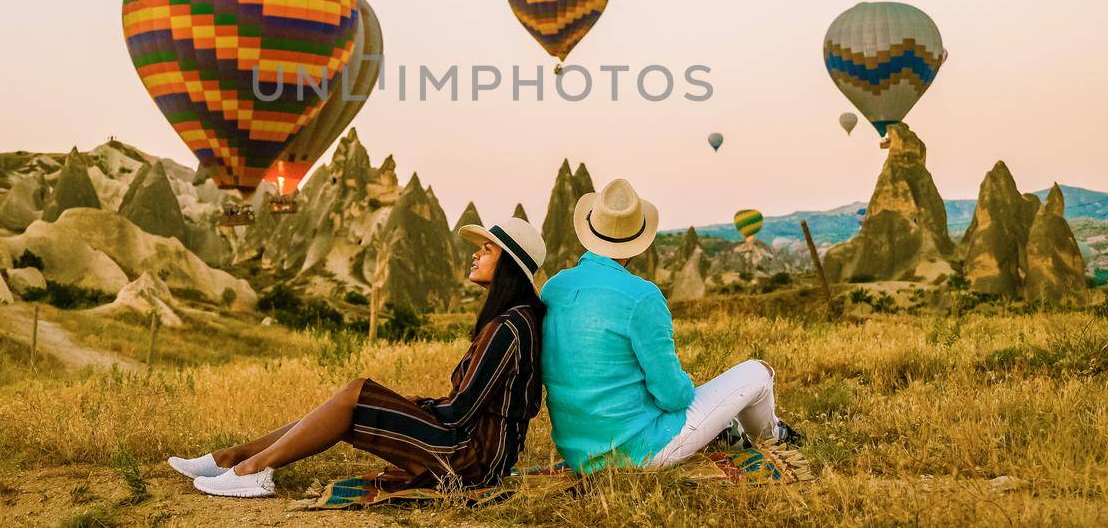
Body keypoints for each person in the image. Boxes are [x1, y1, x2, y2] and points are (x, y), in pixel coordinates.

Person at [171, 217, 548, 498]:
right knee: (348, 402)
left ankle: (252, 469)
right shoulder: (511, 321)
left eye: (487, 249)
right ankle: (232, 459)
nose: (475, 254)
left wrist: (414, 407)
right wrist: (414, 406)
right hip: (469, 448)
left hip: (473, 459)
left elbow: (460, 412)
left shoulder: (509, 327)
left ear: (509, 265)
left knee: (357, 393)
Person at [540, 178, 800, 474]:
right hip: (643, 451)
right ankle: (772, 438)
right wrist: (686, 384)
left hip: (579, 452)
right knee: (759, 371)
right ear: (638, 243)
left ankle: (728, 430)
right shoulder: (642, 296)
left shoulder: (553, 288)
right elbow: (674, 397)